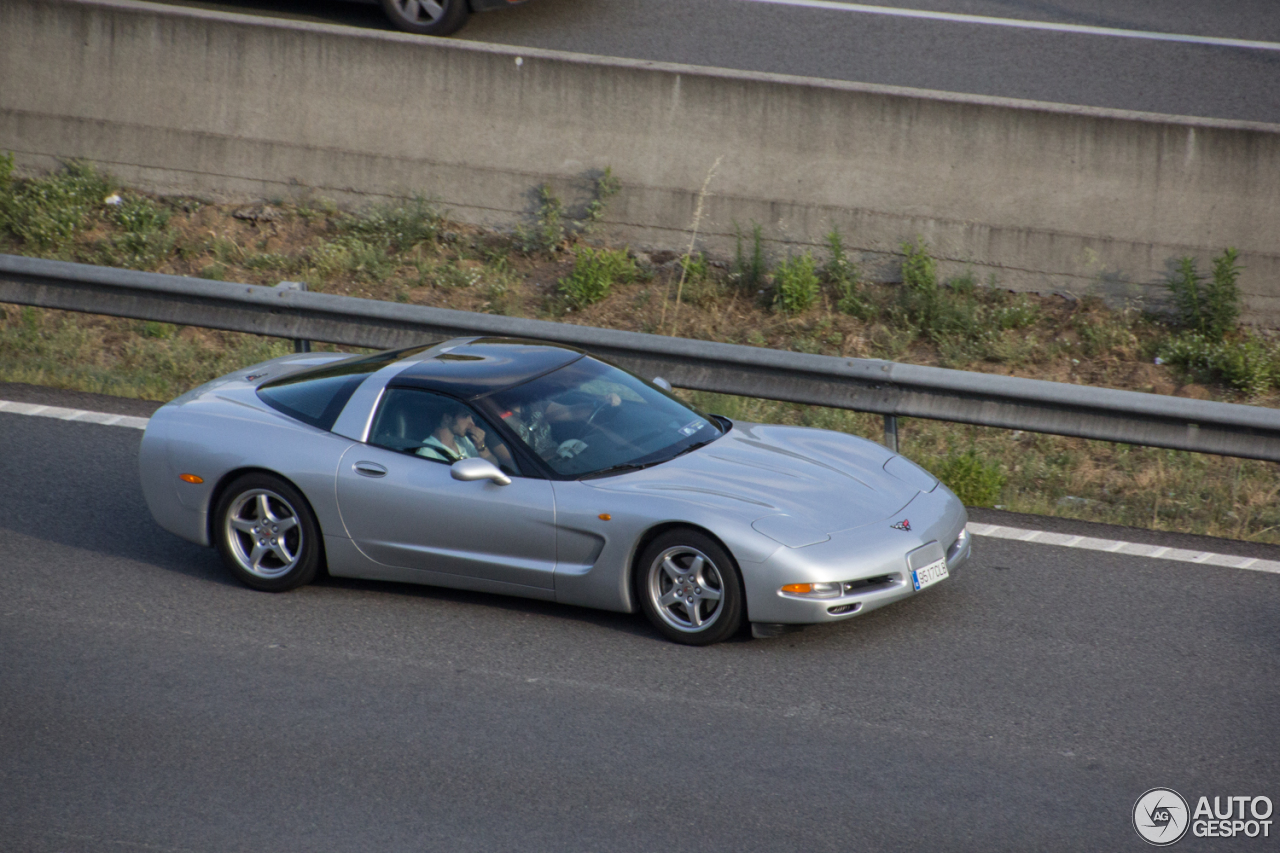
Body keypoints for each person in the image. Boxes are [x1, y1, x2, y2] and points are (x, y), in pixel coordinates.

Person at [417, 400, 514, 470]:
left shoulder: (463, 441)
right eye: (465, 416)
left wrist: (481, 447)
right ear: (447, 418)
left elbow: (494, 467)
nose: (471, 423)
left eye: (471, 417)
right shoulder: (428, 452)